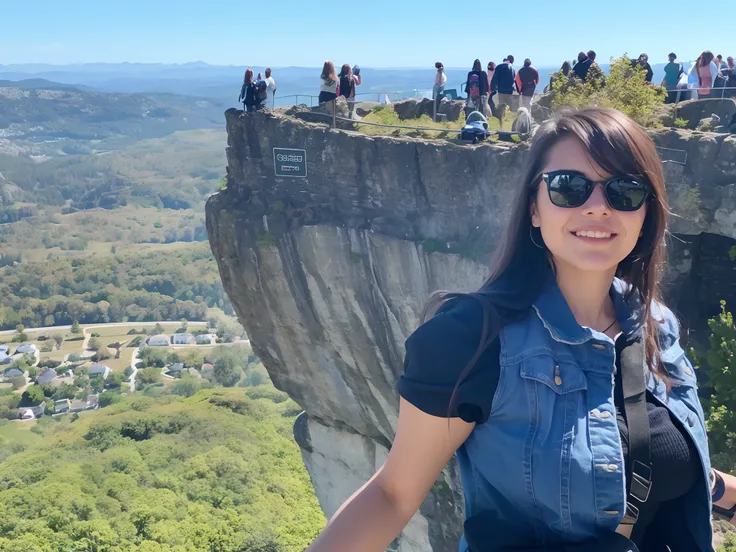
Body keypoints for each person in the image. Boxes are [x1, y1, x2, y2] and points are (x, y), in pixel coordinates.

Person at [304, 107, 732, 552]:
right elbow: (392, 494)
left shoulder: (653, 324)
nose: (599, 207)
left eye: (625, 191)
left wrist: (718, 487)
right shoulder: (473, 339)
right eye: (570, 187)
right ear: (534, 208)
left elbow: (646, 445)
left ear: (645, 214)